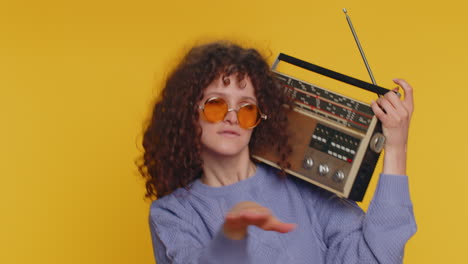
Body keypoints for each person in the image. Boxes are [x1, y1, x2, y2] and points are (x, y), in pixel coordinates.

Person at [138, 41, 417, 264]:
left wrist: (395, 148)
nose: (232, 117)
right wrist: (230, 239)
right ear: (188, 113)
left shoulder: (303, 188)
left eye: (247, 108)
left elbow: (378, 258)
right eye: (216, 105)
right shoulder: (172, 214)